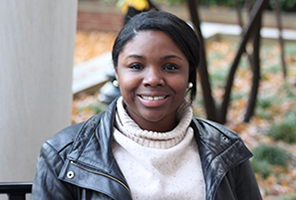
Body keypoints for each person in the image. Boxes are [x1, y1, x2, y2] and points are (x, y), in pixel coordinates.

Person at [31, 11, 262, 200]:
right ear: (116, 73)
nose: (152, 79)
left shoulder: (226, 150)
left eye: (170, 67)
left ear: (190, 75)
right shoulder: (64, 154)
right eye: (135, 66)